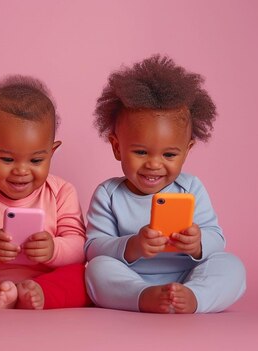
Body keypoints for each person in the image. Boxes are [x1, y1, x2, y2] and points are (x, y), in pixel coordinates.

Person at [85, 55, 246, 313]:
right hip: (131, 278)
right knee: (96, 270)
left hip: (188, 276)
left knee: (232, 266)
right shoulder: (109, 193)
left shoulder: (191, 188)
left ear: (187, 150)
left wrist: (198, 242)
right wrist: (133, 245)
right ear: (117, 147)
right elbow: (93, 247)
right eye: (140, 152)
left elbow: (217, 238)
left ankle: (195, 298)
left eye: (169, 155)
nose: (154, 165)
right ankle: (143, 296)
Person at [0, 75, 91, 309]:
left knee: (85, 273)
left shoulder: (61, 191)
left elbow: (79, 244)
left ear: (52, 153)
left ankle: (40, 296)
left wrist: (54, 249)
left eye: (36, 159)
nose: (21, 170)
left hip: (46, 278)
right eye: (8, 159)